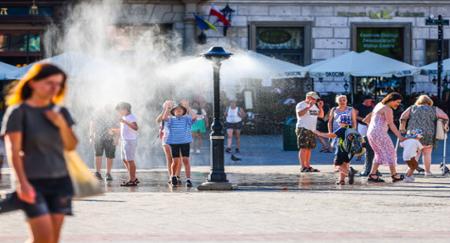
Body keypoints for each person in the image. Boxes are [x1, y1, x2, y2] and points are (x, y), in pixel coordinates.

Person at [1, 63, 78, 243]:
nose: (54, 88)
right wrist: (21, 183)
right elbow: (13, 150)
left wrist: (60, 123)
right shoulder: (19, 112)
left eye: (58, 84)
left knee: (52, 239)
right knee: (42, 237)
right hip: (33, 182)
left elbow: (71, 145)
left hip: (61, 182)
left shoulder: (61, 111)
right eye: (49, 83)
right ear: (33, 83)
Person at [400, 95, 449, 176]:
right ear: (429, 102)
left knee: (415, 153)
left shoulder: (412, 108)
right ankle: (427, 172)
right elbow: (445, 117)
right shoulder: (434, 109)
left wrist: (402, 128)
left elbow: (403, 117)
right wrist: (445, 126)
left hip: (414, 134)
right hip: (428, 133)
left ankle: (409, 173)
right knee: (427, 153)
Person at [366, 92, 406, 183]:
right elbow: (391, 124)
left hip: (371, 132)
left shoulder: (379, 105)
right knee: (391, 152)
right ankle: (394, 175)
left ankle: (373, 174)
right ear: (391, 100)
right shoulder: (387, 109)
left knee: (378, 153)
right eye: (397, 102)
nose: (398, 104)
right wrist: (400, 137)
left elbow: (369, 118)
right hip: (379, 132)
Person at [315, 114, 365, 185]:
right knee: (344, 164)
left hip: (341, 151)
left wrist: (319, 133)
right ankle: (341, 180)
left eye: (339, 122)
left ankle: (349, 172)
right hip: (350, 152)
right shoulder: (352, 129)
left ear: (342, 122)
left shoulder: (342, 129)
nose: (338, 123)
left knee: (337, 166)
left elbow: (332, 135)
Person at [162, 100, 197, 187]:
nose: (178, 111)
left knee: (185, 160)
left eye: (180, 110)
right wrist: (167, 108)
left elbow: (194, 117)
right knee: (175, 160)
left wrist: (188, 107)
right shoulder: (171, 120)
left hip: (185, 142)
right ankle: (173, 176)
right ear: (173, 112)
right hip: (174, 142)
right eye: (176, 110)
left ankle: (188, 179)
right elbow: (164, 118)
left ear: (183, 112)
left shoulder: (187, 119)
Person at [296, 91, 324, 172]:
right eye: (314, 99)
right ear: (308, 97)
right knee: (303, 148)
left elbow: (321, 116)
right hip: (303, 128)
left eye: (316, 99)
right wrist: (308, 106)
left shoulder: (315, 106)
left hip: (312, 129)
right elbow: (300, 114)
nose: (316, 100)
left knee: (309, 148)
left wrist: (320, 107)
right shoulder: (301, 104)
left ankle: (307, 166)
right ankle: (302, 167)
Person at [89, 106, 119, 181]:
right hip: (98, 137)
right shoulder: (97, 112)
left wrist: (117, 138)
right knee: (98, 155)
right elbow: (92, 124)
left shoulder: (114, 114)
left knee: (110, 156)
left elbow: (118, 127)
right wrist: (91, 136)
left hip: (110, 138)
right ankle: (97, 173)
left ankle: (108, 173)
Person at [156, 100, 180, 184]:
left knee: (177, 158)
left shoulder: (176, 114)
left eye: (171, 105)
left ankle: (176, 175)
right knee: (169, 158)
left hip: (176, 138)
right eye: (167, 105)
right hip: (166, 138)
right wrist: (165, 109)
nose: (169, 107)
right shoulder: (163, 113)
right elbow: (158, 120)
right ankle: (171, 176)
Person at [115, 102, 139, 187]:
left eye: (120, 110)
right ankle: (133, 177)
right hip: (124, 140)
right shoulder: (124, 117)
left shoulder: (130, 117)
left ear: (125, 109)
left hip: (130, 140)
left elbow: (136, 128)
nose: (119, 112)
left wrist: (125, 122)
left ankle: (132, 180)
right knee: (124, 159)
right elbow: (123, 129)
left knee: (130, 160)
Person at [355, 95, 375, 176]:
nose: (370, 102)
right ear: (365, 100)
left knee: (370, 144)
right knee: (364, 142)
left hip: (370, 125)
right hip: (362, 125)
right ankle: (360, 153)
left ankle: (370, 166)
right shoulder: (359, 106)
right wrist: (364, 120)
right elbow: (355, 116)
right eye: (369, 101)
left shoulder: (372, 106)